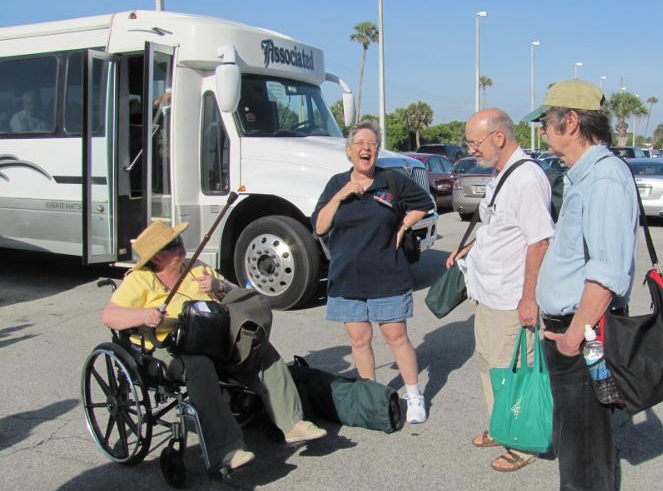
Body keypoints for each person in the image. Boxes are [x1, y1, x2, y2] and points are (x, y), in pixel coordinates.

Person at [102, 221, 327, 472]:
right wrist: (143, 315)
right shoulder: (140, 280)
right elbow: (110, 316)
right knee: (199, 365)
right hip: (168, 348)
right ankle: (227, 449)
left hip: (213, 338)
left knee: (259, 349)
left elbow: (239, 293)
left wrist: (220, 286)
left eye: (178, 240)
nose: (181, 245)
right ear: (157, 257)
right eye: (173, 244)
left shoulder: (197, 268)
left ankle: (292, 423)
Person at [531, 79, 639, 491]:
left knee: (586, 451)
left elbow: (607, 273)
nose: (542, 131)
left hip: (585, 335)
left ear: (570, 122)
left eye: (546, 122)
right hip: (574, 331)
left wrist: (574, 336)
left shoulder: (605, 179)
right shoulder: (583, 175)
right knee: (575, 444)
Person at [445, 108, 554, 472]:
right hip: (489, 294)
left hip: (510, 298)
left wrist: (528, 299)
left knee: (513, 370)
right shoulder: (501, 175)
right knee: (490, 365)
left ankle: (521, 443)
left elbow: (539, 242)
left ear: (499, 137)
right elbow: (499, 228)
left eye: (475, 142)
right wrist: (470, 248)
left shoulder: (526, 179)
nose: (471, 150)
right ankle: (499, 423)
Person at [312, 121, 434, 424]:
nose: (366, 148)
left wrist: (404, 224)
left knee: (396, 336)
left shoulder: (390, 179)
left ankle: (413, 394)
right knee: (359, 340)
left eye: (372, 144)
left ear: (377, 151)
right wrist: (341, 195)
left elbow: (425, 203)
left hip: (387, 274)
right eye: (360, 143)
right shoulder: (336, 183)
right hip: (348, 276)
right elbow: (319, 226)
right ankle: (372, 398)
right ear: (349, 151)